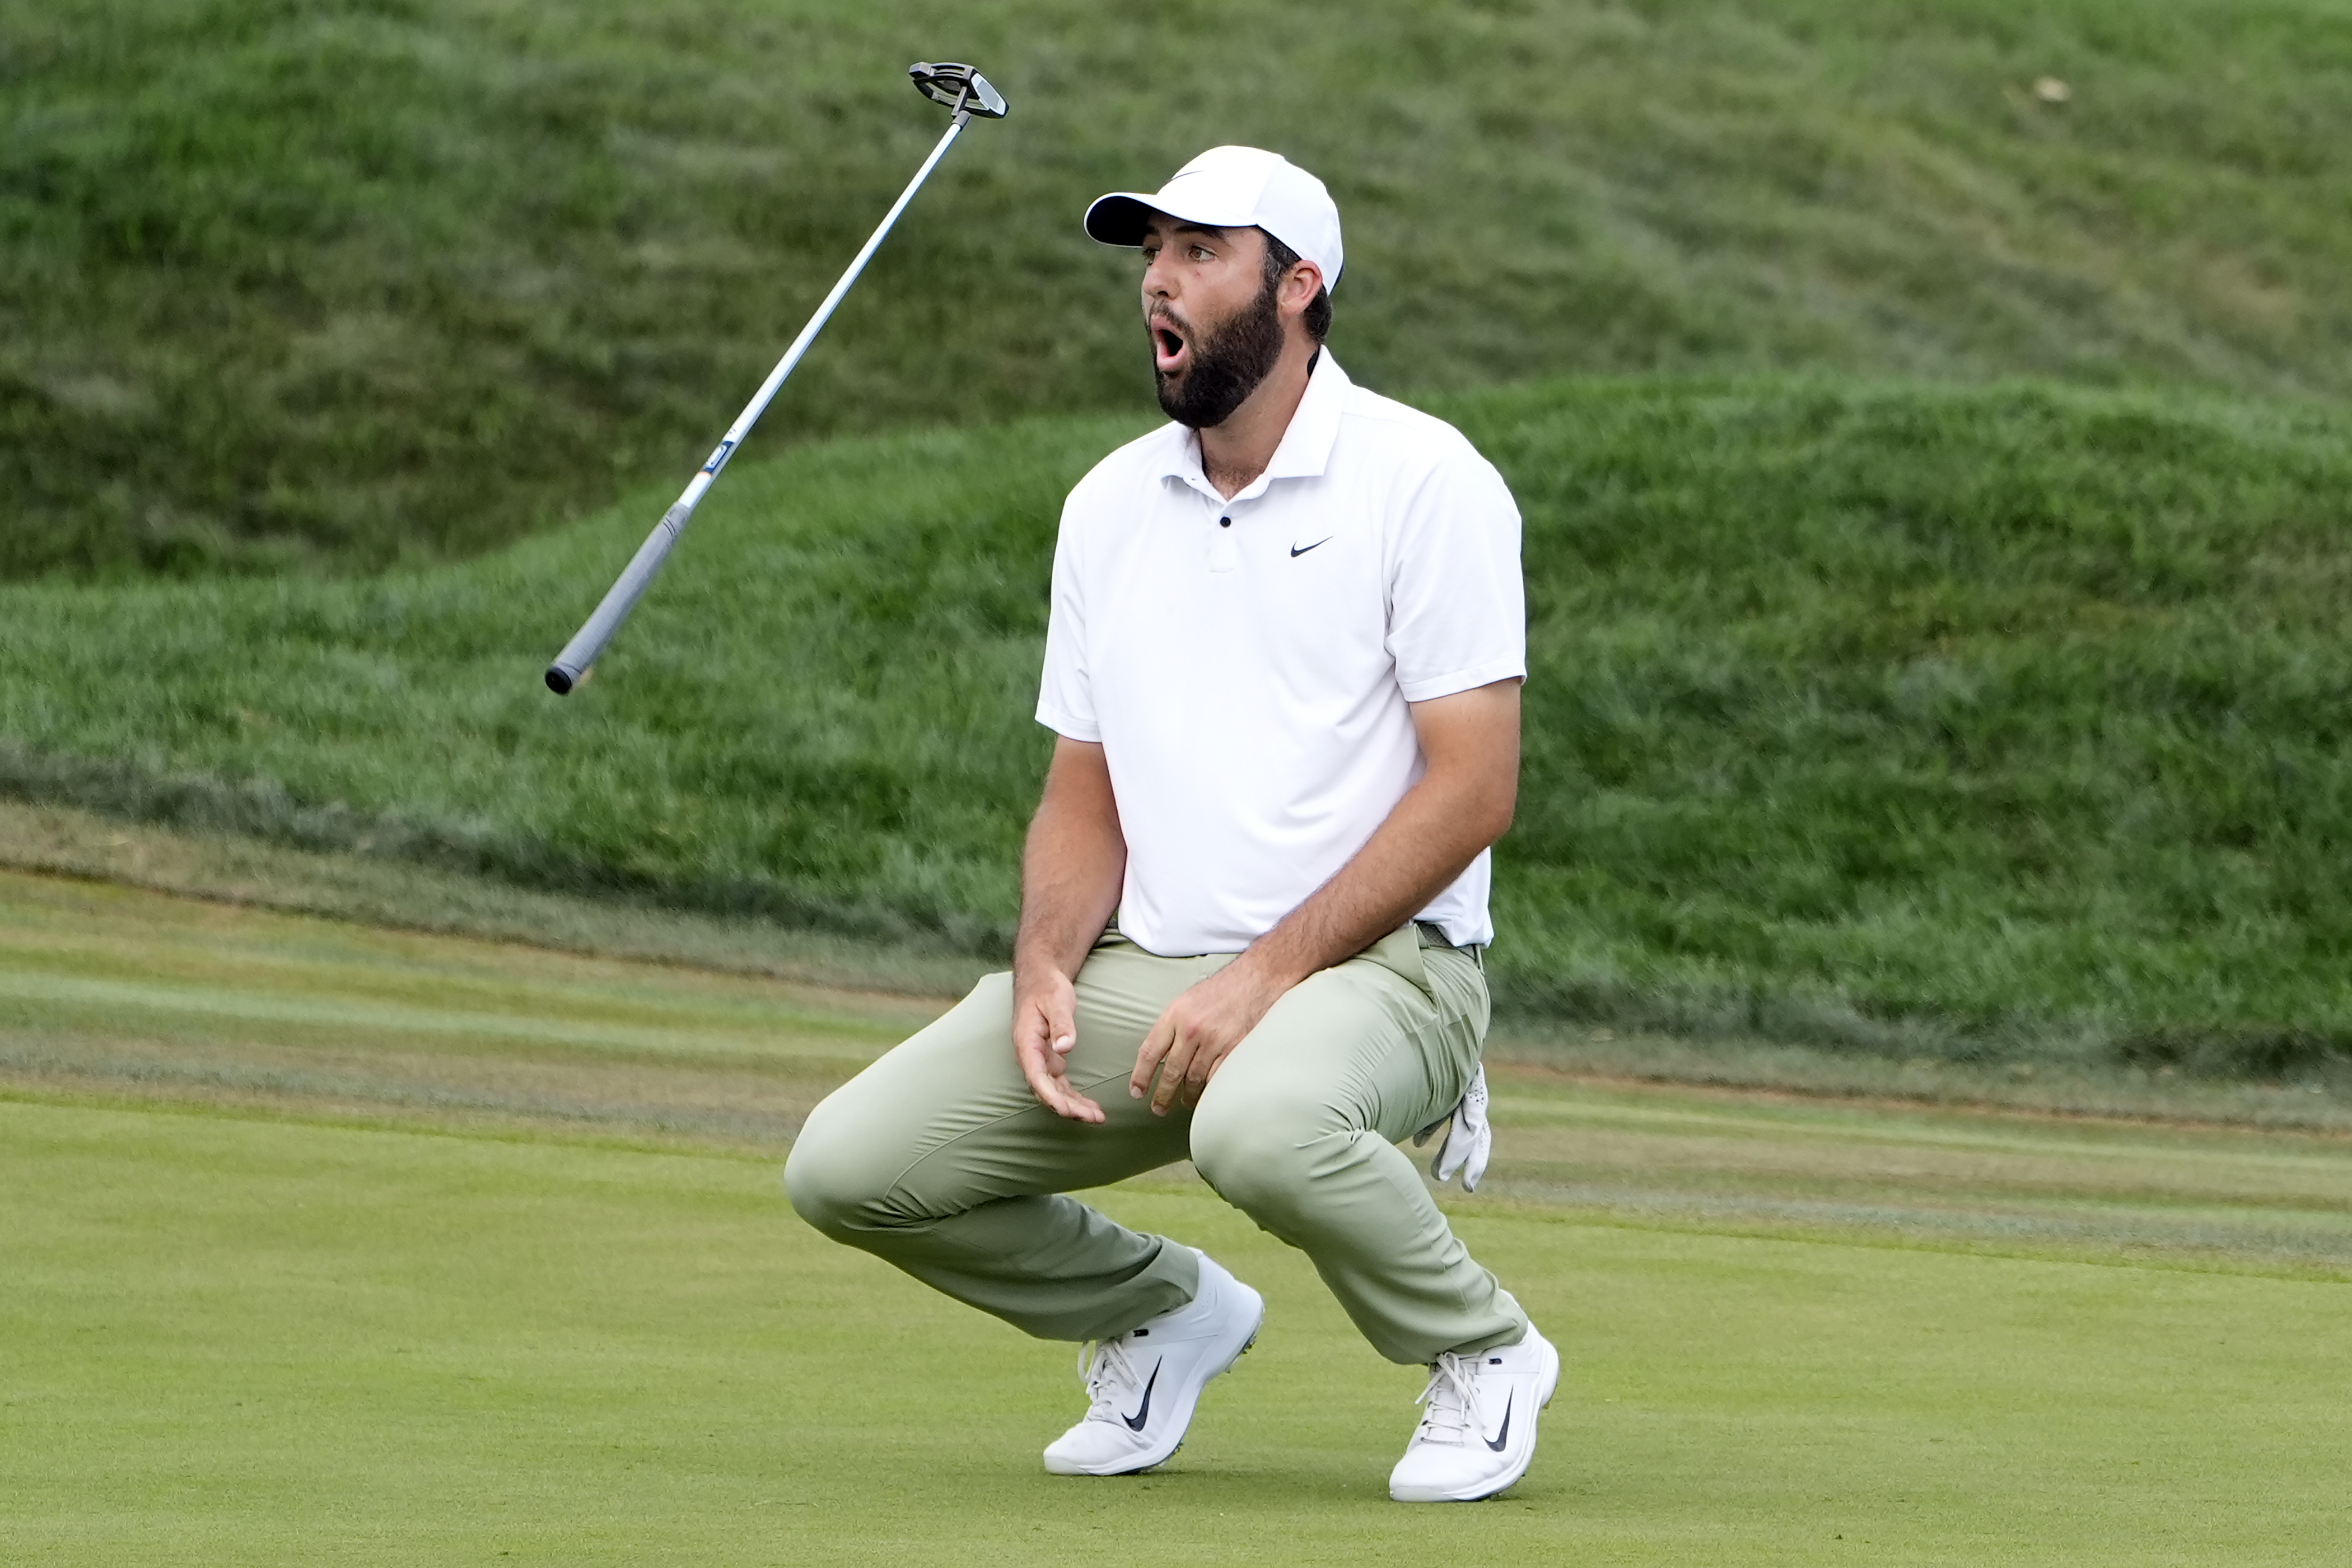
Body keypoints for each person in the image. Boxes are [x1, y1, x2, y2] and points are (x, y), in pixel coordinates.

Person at [785, 145, 1552, 1504]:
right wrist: (1043, 960)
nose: (1160, 282)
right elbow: (1084, 786)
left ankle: (1483, 1345)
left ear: (1297, 288)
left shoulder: (1426, 480)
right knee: (847, 1166)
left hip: (1389, 971)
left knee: (1254, 1127)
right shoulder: (1107, 505)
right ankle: (1159, 1310)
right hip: (1157, 966)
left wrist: (1261, 979)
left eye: (1202, 252)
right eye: (1152, 255)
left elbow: (1473, 790)